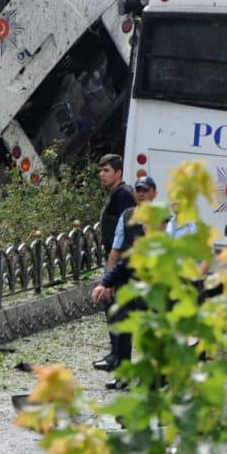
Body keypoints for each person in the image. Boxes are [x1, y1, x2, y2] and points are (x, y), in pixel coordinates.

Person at [92, 176, 158, 385]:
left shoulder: (164, 218)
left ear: (154, 193)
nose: (141, 194)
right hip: (128, 277)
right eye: (138, 190)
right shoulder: (127, 215)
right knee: (121, 326)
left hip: (152, 281)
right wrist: (108, 281)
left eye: (145, 190)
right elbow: (116, 250)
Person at [92, 153, 136, 378]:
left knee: (114, 305)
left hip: (118, 259)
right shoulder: (115, 194)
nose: (102, 174)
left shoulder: (124, 195)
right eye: (100, 170)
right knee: (110, 305)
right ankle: (114, 353)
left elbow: (125, 232)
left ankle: (119, 356)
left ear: (118, 172)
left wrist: (116, 264)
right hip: (111, 255)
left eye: (106, 170)